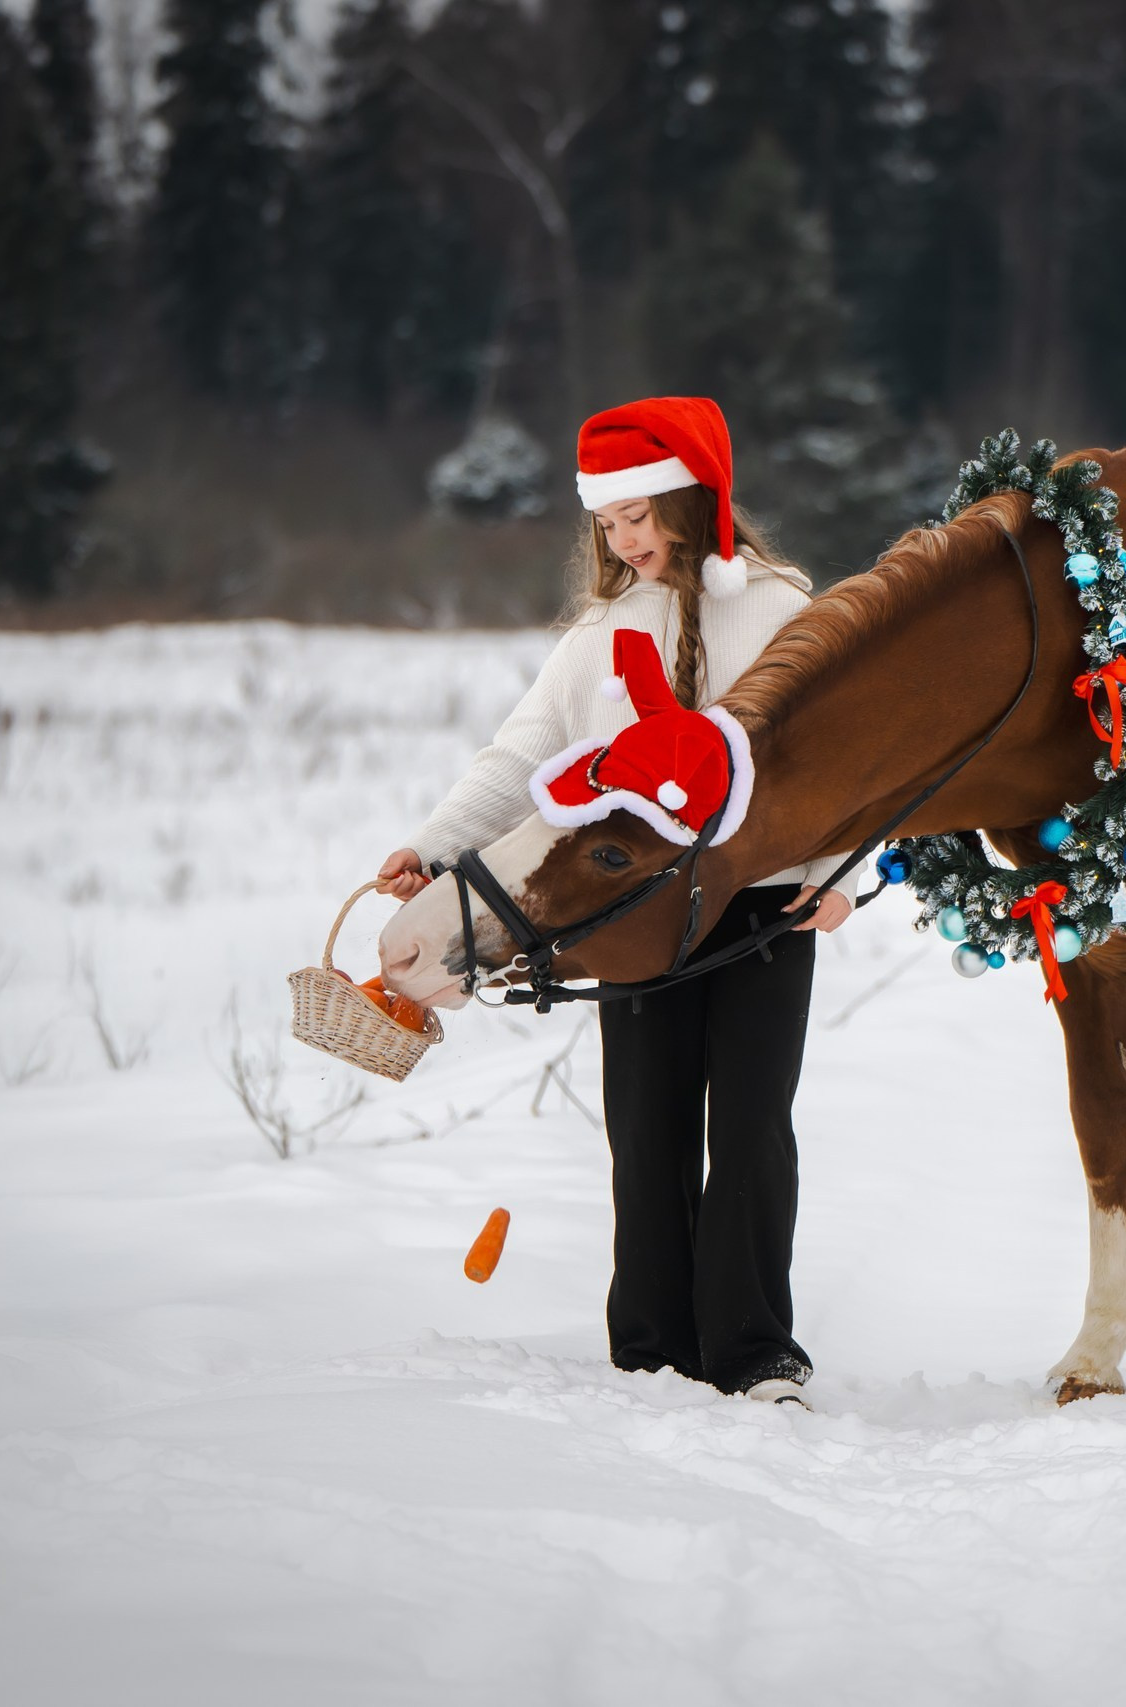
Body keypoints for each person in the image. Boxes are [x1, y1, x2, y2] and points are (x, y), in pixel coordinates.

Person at [374, 396, 847, 1407]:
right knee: (646, 1126)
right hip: (631, 917)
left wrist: (835, 873)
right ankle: (653, 1348)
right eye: (607, 522)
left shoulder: (777, 610)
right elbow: (518, 755)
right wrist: (435, 844)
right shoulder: (601, 633)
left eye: (638, 515)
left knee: (753, 1127)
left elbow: (834, 755)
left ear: (690, 501)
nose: (624, 539)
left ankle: (756, 1349)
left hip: (762, 911)